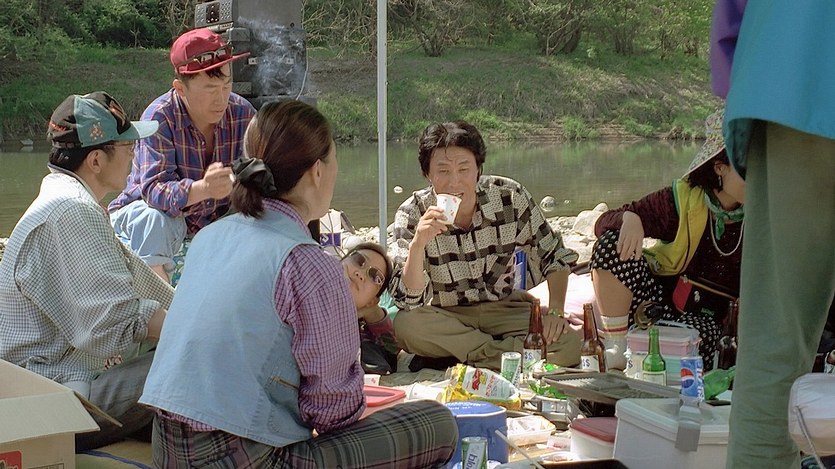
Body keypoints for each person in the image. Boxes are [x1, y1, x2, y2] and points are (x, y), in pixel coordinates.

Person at [139, 100, 457, 468]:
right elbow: (333, 412)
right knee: (437, 424)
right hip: (242, 457)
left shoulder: (210, 236)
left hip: (167, 450)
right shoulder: (308, 263)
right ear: (317, 171)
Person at [0, 92, 174, 450]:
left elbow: (134, 296)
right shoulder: (72, 211)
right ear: (96, 160)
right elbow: (120, 321)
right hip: (56, 397)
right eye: (127, 148)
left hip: (62, 378)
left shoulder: (68, 201)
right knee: (192, 359)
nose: (134, 156)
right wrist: (200, 332)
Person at [711, 2, 835, 467]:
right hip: (787, 75)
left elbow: (730, 22)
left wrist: (753, 81)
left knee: (773, 351)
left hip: (789, 73)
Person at [389, 120, 581, 371]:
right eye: (443, 171)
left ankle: (464, 355)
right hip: (447, 315)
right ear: (428, 175)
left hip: (503, 309)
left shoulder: (509, 197)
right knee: (405, 326)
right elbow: (408, 300)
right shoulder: (413, 213)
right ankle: (508, 356)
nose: (455, 182)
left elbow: (554, 255)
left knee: (569, 344)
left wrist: (555, 311)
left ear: (478, 169)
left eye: (464, 169)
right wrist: (418, 245)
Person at [590, 109, 744, 371]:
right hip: (660, 304)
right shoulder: (683, 200)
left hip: (719, 322)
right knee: (610, 245)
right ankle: (616, 347)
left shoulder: (765, 214)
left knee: (700, 334)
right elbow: (603, 222)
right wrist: (630, 218)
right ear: (720, 167)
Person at [108, 28, 256, 283]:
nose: (221, 99)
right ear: (181, 89)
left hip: (212, 222)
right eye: (210, 89)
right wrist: (203, 189)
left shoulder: (243, 113)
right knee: (154, 220)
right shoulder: (159, 117)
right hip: (152, 219)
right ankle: (159, 297)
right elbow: (154, 191)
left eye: (226, 85)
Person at [341, 242, 401, 375]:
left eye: (375, 277)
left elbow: (391, 350)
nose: (360, 274)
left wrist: (371, 311)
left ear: (372, 300)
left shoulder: (361, 334)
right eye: (359, 260)